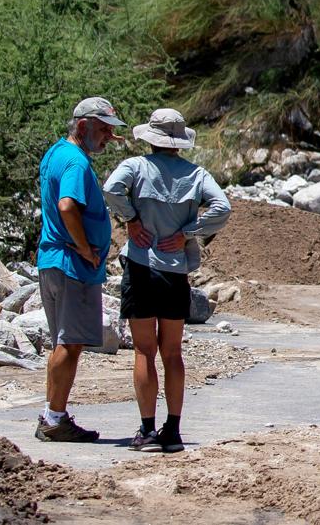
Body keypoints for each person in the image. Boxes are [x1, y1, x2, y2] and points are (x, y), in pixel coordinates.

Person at [102, 108, 231, 453]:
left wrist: (130, 219)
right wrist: (189, 232)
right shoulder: (197, 174)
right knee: (172, 353)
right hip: (175, 272)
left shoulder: (135, 167)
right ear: (179, 142)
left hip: (142, 267)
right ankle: (172, 431)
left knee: (144, 351)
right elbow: (223, 208)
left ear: (150, 138)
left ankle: (146, 431)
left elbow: (111, 189)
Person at [36, 97, 126, 442]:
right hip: (73, 266)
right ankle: (55, 420)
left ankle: (51, 413)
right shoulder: (76, 162)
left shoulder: (58, 153)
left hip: (53, 262)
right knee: (70, 343)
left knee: (62, 343)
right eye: (103, 129)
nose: (108, 137)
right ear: (84, 126)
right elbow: (67, 205)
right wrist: (87, 247)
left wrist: (103, 136)